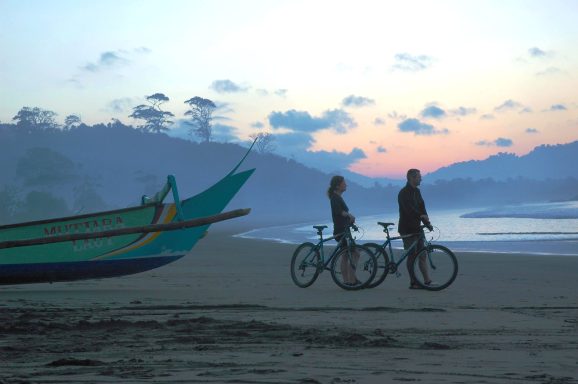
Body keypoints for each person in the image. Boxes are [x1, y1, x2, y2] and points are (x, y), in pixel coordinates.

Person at [398, 169, 433, 289]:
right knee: (412, 256)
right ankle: (413, 282)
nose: (421, 179)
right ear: (412, 178)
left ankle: (427, 281)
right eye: (419, 177)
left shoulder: (417, 192)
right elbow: (408, 210)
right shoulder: (403, 193)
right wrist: (420, 215)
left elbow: (422, 207)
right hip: (407, 228)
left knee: (422, 255)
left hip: (417, 227)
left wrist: (427, 221)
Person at [327, 175, 358, 285]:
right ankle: (350, 280)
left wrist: (350, 220)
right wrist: (349, 215)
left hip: (344, 229)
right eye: (344, 183)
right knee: (353, 253)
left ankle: (348, 280)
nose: (346, 185)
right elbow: (338, 211)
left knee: (347, 255)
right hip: (341, 231)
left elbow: (341, 214)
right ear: (337, 185)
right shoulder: (335, 197)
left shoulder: (338, 197)